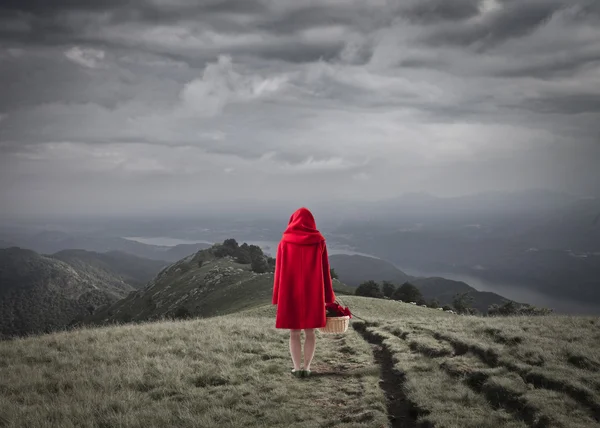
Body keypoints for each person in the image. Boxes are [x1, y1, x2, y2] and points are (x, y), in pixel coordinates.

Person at [272, 207, 336, 378]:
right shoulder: (319, 241)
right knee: (310, 332)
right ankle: (307, 368)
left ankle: (296, 367)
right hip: (312, 293)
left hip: (290, 292)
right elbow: (325, 271)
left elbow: (278, 272)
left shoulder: (284, 242)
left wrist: (277, 295)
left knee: (294, 333)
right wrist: (329, 297)